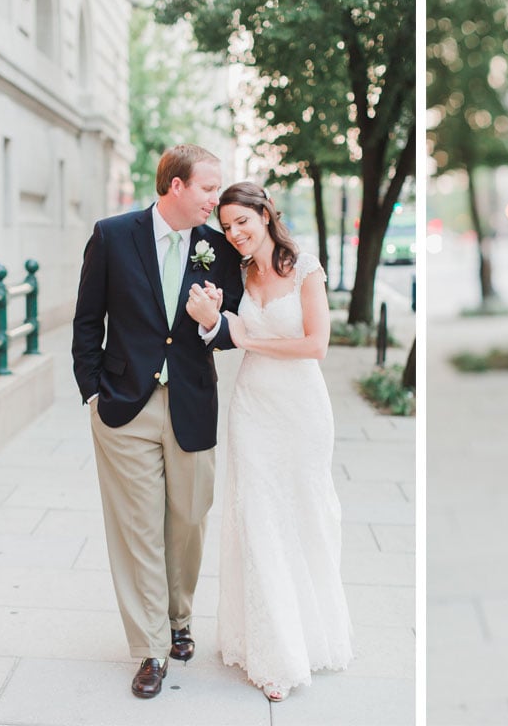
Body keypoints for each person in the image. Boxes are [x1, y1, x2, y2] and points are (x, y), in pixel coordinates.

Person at [71, 144, 243, 699]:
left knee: (189, 519)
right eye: (208, 189)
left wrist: (212, 319)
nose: (216, 200)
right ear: (175, 186)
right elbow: (86, 320)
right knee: (138, 529)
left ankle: (178, 616)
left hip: (191, 401)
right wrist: (93, 391)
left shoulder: (217, 248)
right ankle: (149, 649)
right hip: (125, 404)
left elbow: (230, 328)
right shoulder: (113, 235)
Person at [185, 182, 353, 703]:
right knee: (255, 516)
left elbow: (316, 345)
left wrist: (244, 338)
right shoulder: (234, 273)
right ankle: (271, 648)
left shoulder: (304, 265)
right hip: (252, 409)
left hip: (301, 410)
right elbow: (220, 333)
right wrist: (213, 322)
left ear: (265, 214)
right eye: (227, 224)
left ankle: (307, 635)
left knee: (303, 513)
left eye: (243, 221)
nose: (235, 233)